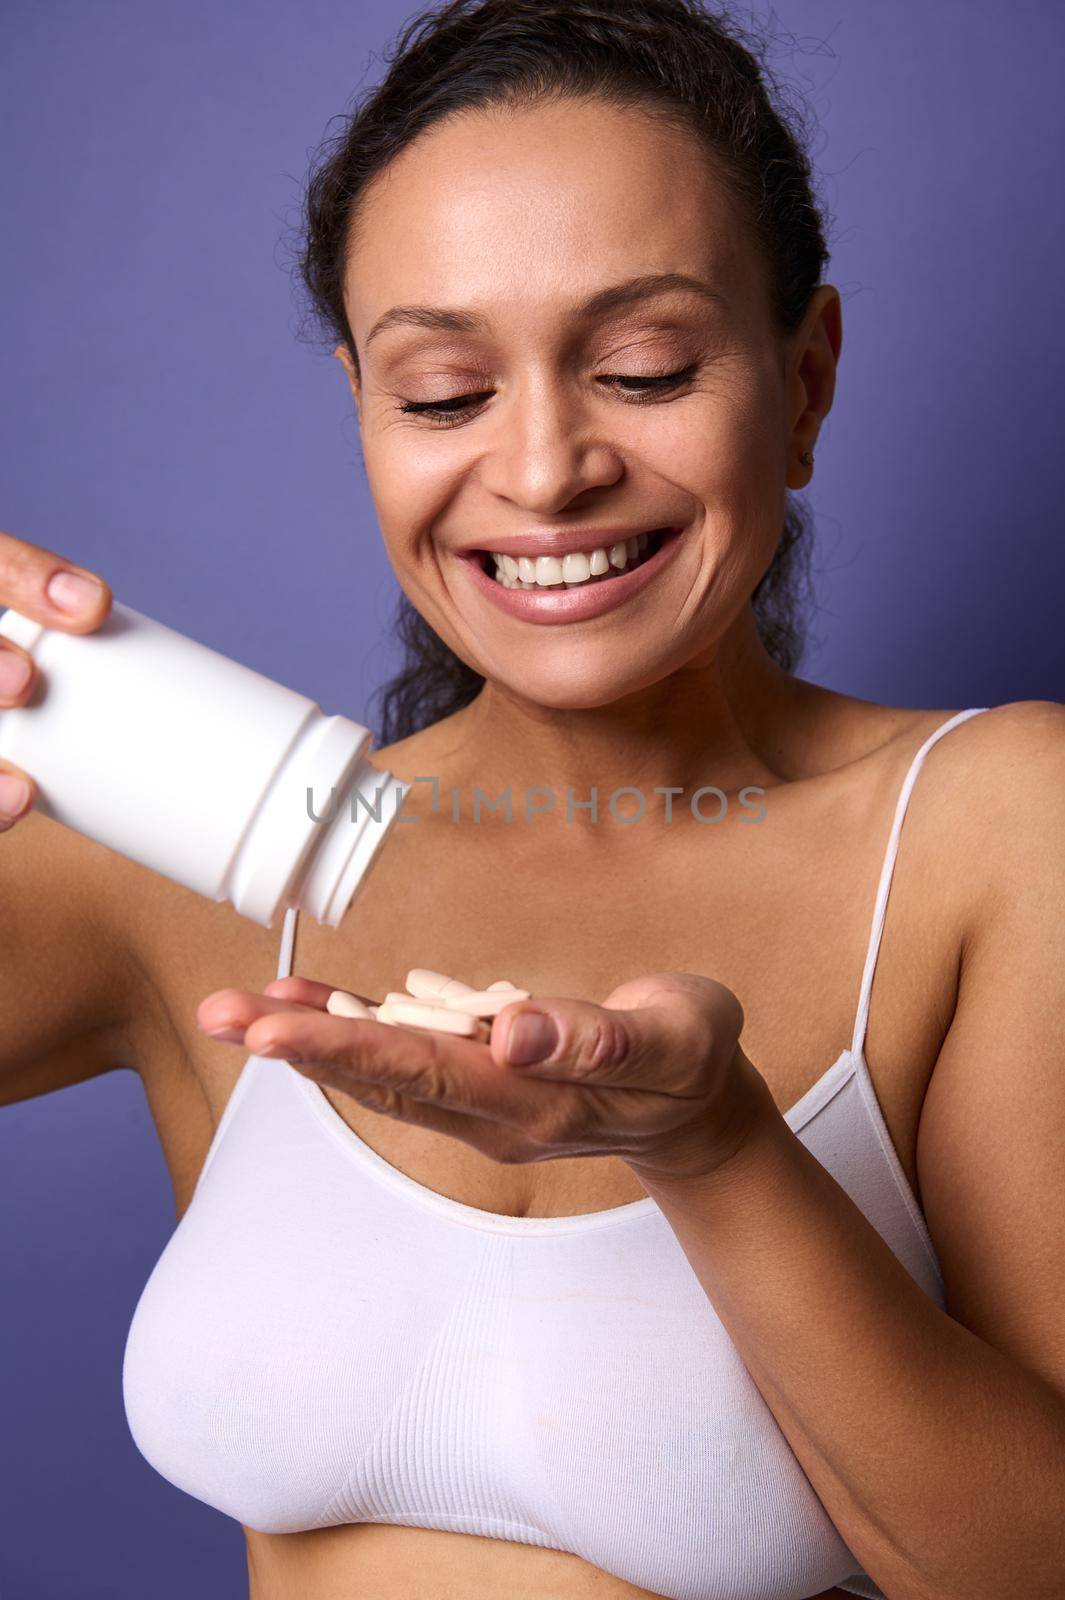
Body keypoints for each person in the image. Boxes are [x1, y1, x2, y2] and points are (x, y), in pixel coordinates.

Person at [2, 2, 1063, 1597]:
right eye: (441, 394)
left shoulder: (992, 831)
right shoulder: (201, 859)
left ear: (807, 375)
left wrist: (713, 1151)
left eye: (642, 365)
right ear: (361, 408)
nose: (546, 467)